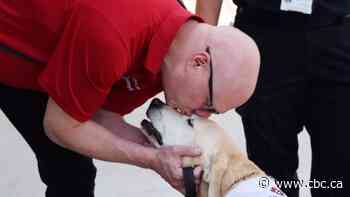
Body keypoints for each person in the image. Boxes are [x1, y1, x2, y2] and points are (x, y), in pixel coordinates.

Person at [0, 0, 260, 196]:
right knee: (71, 172)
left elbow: (102, 116)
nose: (201, 115)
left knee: (71, 174)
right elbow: (61, 125)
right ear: (198, 63)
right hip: (12, 47)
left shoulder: (173, 49)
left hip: (63, 58)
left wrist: (166, 156)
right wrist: (151, 160)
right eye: (208, 105)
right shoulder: (113, 35)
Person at [196, 0, 350, 196]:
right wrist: (201, 57)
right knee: (272, 180)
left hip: (338, 34)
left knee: (339, 180)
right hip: (264, 39)